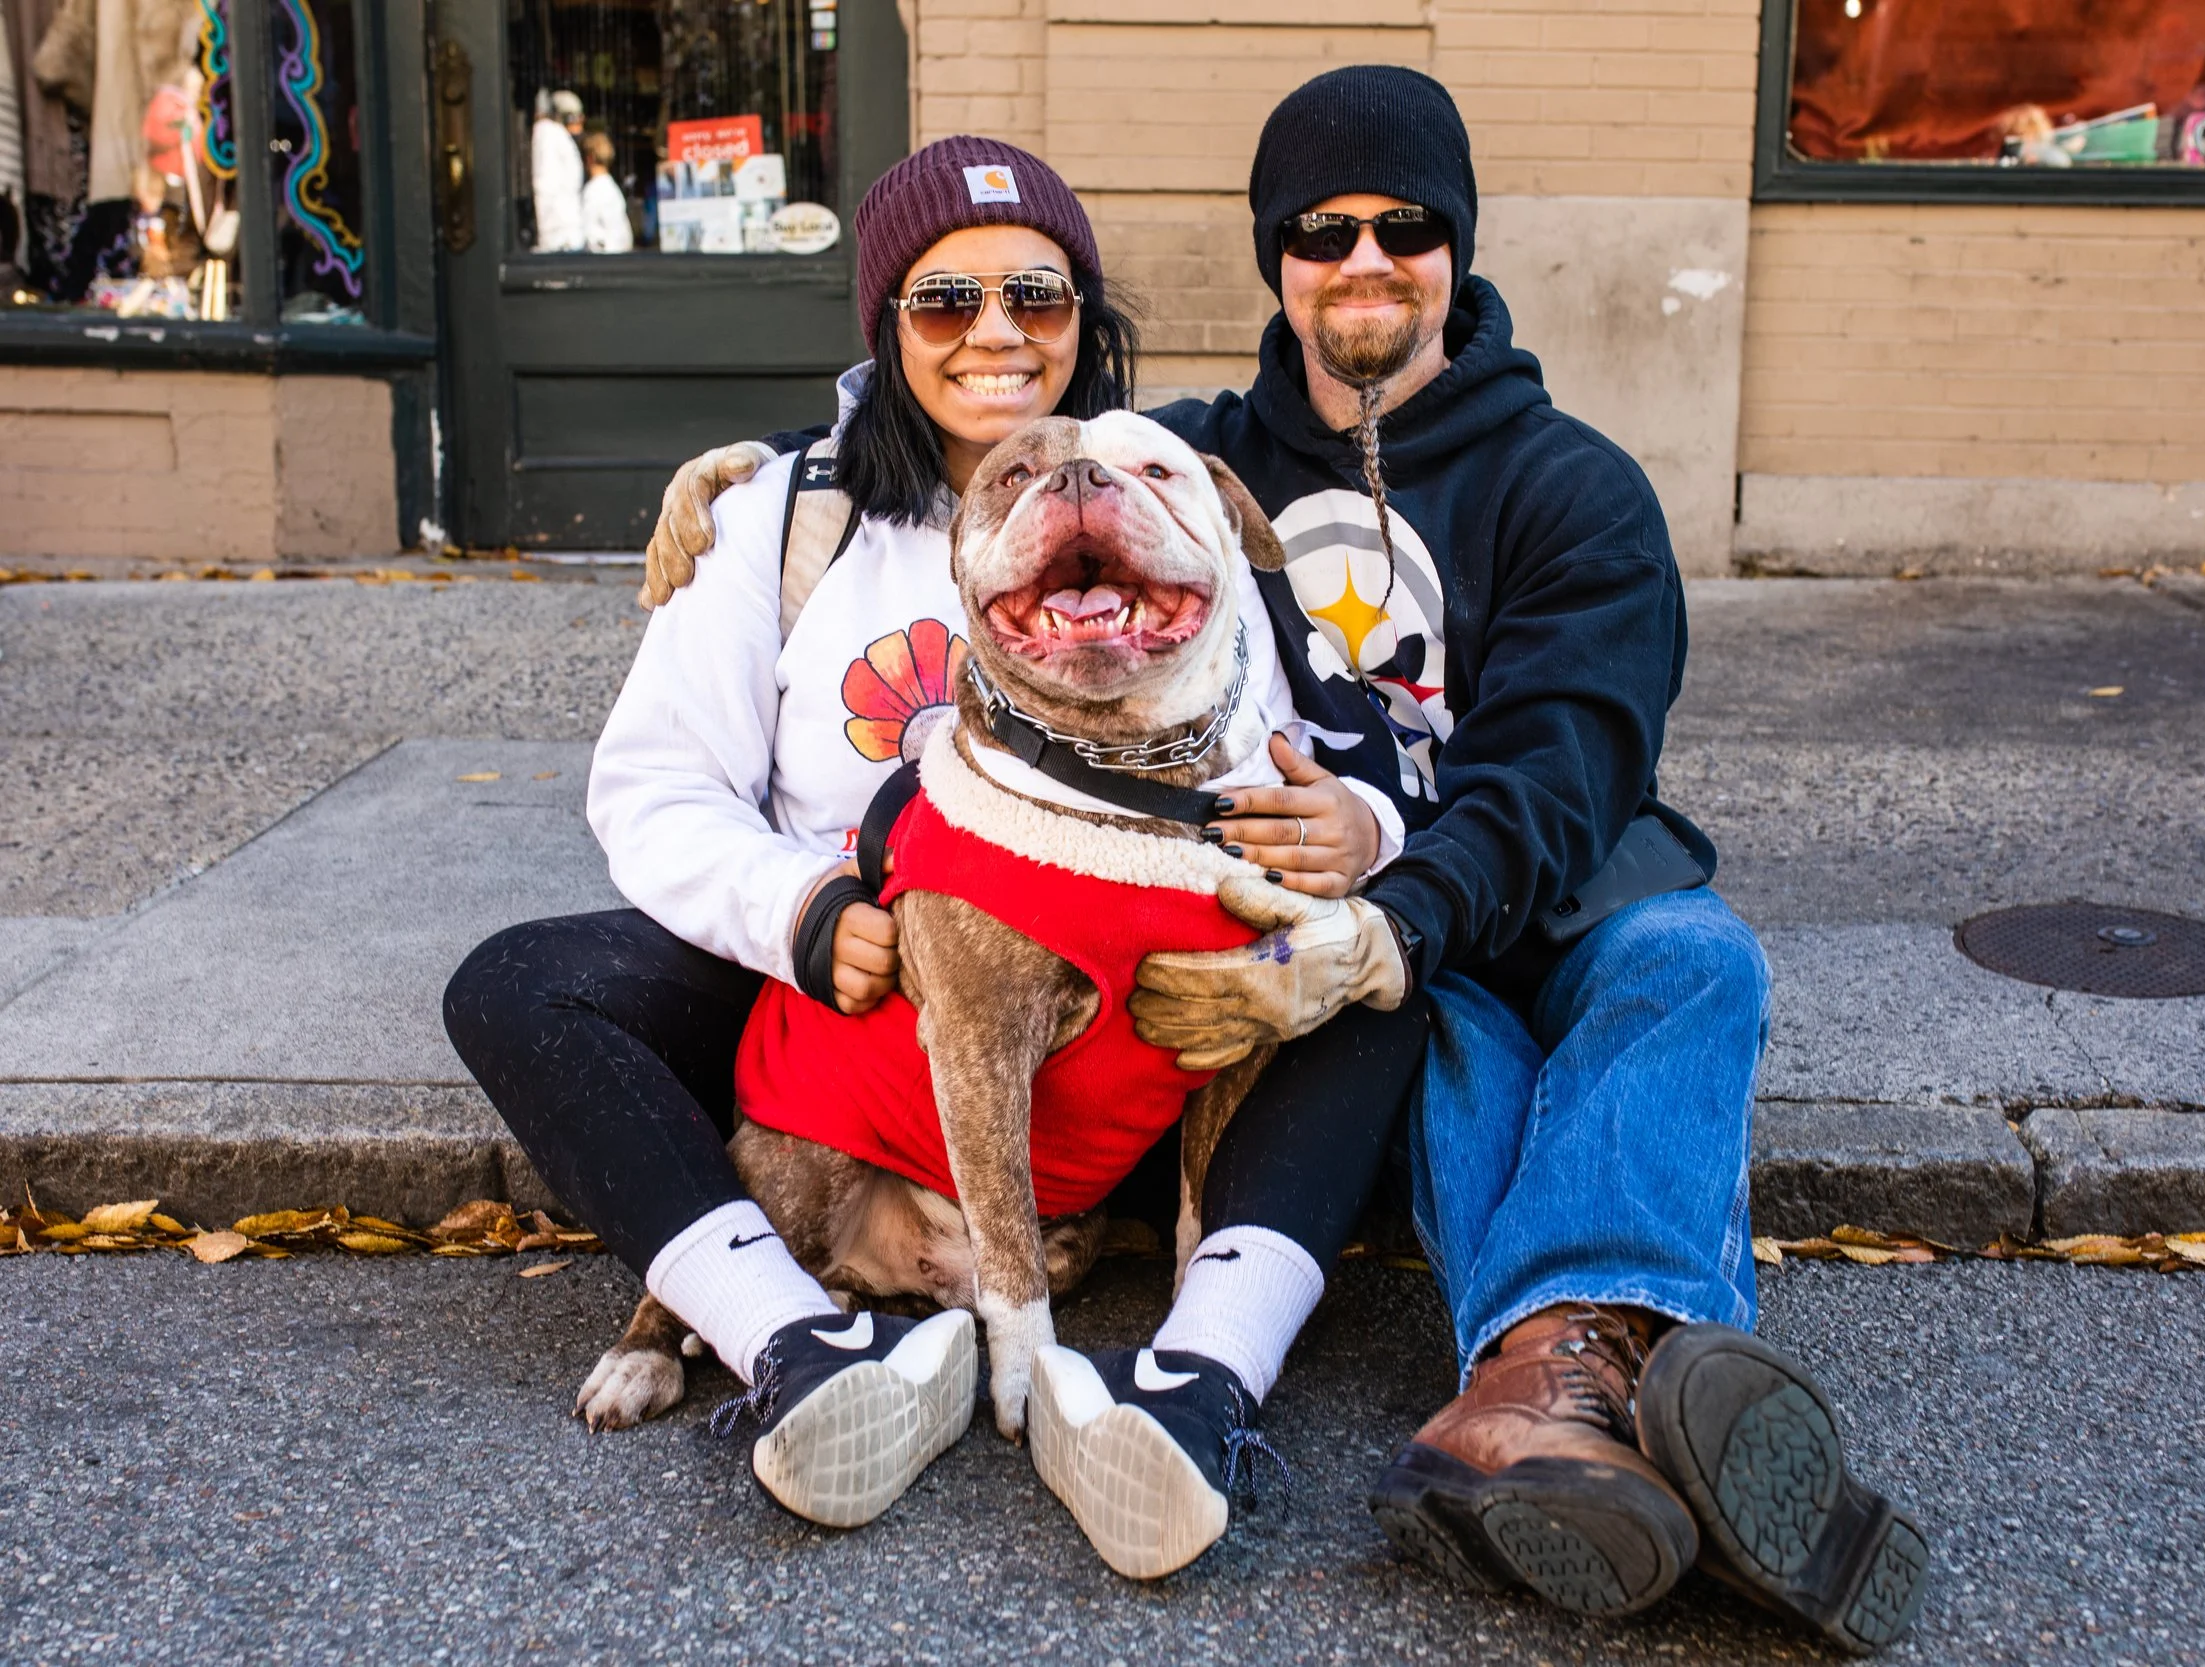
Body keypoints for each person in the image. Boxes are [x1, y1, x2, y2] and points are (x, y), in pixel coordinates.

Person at [642, 71, 1929, 1653]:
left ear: (1457, 247)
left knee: (1692, 960)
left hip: (1536, 888)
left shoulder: (1574, 485)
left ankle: (1557, 1365)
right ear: (1279, 259)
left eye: (1406, 227)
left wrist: (1395, 900)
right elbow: (998, 455)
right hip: (1331, 936)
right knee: (1424, 1027)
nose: (1365, 259)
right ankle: (1605, 1386)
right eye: (1324, 231)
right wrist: (776, 468)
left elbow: (1572, 766)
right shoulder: (1186, 454)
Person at [443, 135, 1428, 1579]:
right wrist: (805, 907)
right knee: (521, 983)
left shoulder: (1154, 495)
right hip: (843, 973)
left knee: (1381, 979)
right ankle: (787, 1334)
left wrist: (1365, 827)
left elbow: (1322, 744)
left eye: (1036, 294)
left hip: (1102, 982)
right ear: (883, 323)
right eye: (941, 299)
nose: (993, 333)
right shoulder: (786, 516)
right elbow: (652, 786)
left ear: (1085, 318)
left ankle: (1200, 1368)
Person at [530, 89, 585, 253]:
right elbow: (545, 184)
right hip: (558, 233)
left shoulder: (558, 137)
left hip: (564, 232)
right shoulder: (547, 134)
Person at [579, 130, 631, 254]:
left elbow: (588, 232)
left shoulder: (592, 191)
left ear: (589, 158)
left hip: (601, 259)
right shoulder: (614, 190)